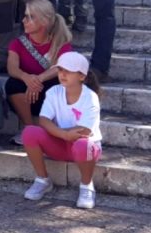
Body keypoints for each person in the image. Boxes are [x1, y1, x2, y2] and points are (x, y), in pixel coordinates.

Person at [23, 52, 102, 209]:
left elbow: (84, 131)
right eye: (60, 70)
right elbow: (43, 120)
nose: (63, 74)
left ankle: (87, 186)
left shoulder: (91, 97)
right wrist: (64, 134)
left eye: (69, 71)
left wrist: (57, 131)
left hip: (83, 149)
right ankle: (43, 180)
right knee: (30, 132)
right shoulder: (53, 92)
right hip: (60, 143)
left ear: (82, 76)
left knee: (83, 144)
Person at [5, 0, 72, 145]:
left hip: (48, 94)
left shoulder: (60, 43)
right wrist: (26, 78)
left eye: (30, 17)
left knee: (60, 83)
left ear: (44, 21)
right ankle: (29, 129)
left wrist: (38, 79)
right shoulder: (18, 43)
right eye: (25, 16)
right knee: (12, 84)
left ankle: (52, 128)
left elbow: (62, 65)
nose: (24, 20)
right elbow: (12, 68)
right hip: (28, 96)